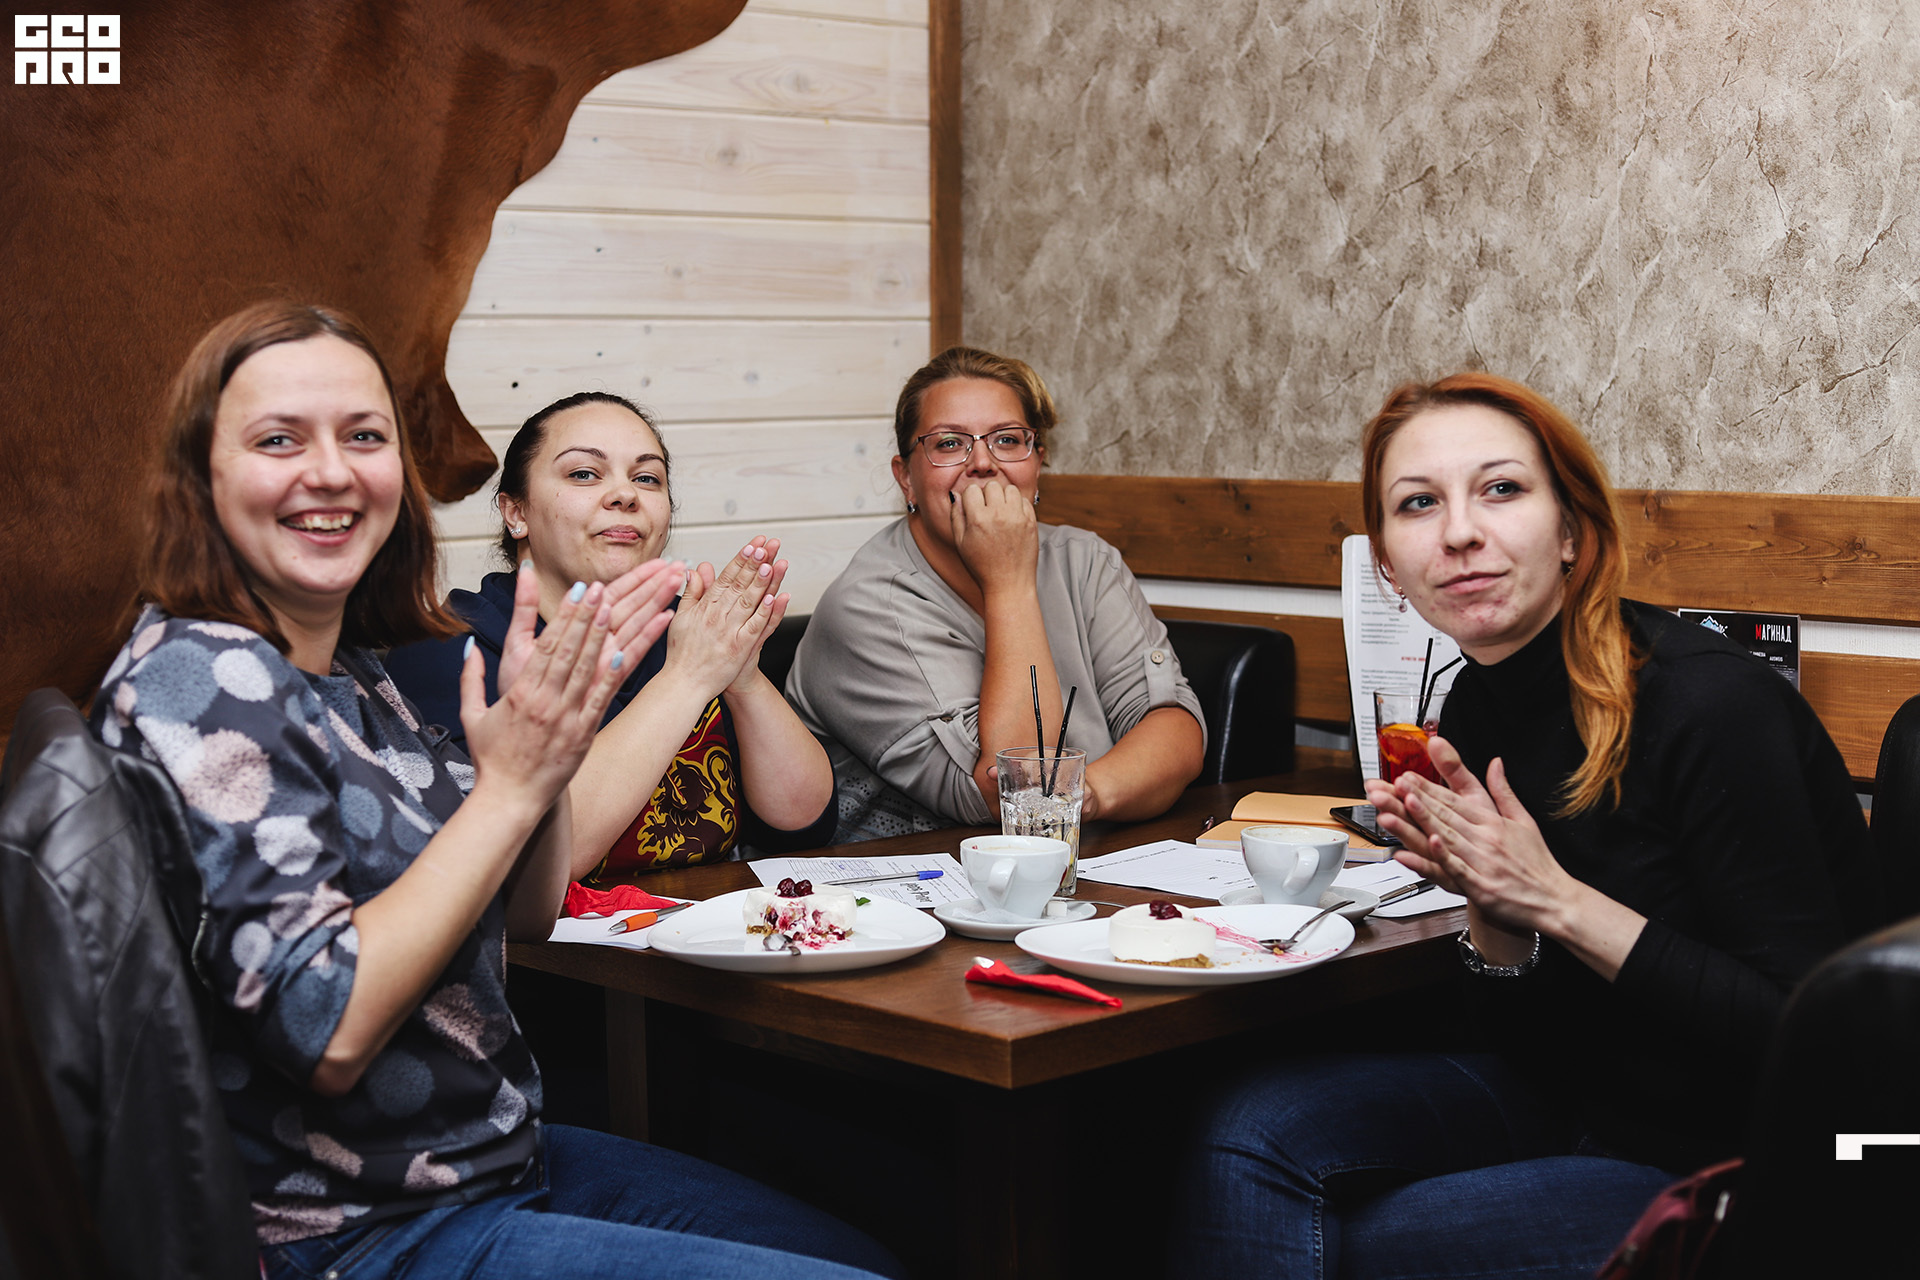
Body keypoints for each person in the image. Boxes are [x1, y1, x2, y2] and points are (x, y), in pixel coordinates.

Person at [91, 301, 898, 1280]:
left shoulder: (356, 671)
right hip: (353, 1229)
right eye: (278, 439)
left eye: (364, 436)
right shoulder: (199, 675)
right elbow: (326, 1030)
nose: (332, 470)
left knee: (866, 1250)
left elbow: (526, 912)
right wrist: (511, 787)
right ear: (201, 476)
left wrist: (546, 758)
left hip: (495, 1162)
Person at [1176, 372, 1870, 1278]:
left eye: (1500, 489)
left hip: (1747, 1159)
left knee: (1365, 1246)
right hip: (1580, 1099)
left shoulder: (1710, 704)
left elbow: (1809, 1040)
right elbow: (1519, 1036)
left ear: (1572, 530)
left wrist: (1554, 899)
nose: (1460, 532)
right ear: (1387, 564)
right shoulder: (1474, 704)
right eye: (1418, 503)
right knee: (1246, 1128)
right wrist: (1492, 907)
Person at [385, 391, 835, 881]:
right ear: (516, 513)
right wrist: (688, 677)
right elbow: (524, 869)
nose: (625, 495)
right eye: (584, 474)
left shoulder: (691, 632)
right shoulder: (449, 649)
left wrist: (741, 675)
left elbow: (804, 826)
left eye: (647, 478)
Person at [786, 346, 1207, 841]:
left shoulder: (1085, 560)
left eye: (1007, 439)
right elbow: (1014, 793)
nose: (983, 463)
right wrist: (1009, 580)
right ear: (906, 479)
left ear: (1037, 464)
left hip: (1085, 857)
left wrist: (1081, 795)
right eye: (949, 444)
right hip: (906, 878)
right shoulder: (867, 607)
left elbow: (1174, 729)